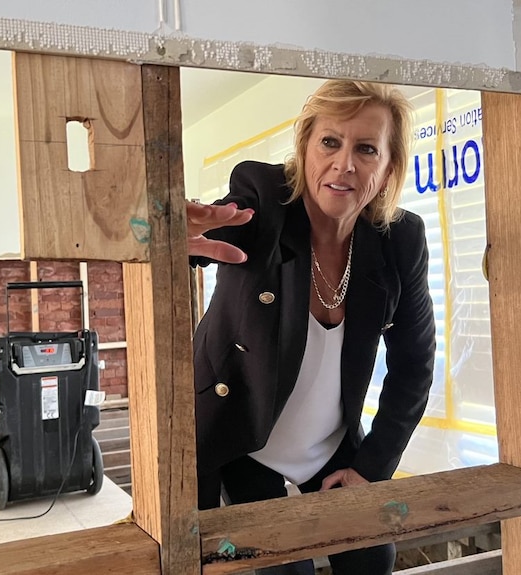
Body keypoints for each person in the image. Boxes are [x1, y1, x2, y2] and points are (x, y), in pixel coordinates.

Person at [187, 80, 436, 575]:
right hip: (241, 438)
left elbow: (414, 365)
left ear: (388, 169)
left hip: (331, 445)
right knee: (284, 568)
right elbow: (213, 230)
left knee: (372, 558)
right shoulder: (262, 198)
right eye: (330, 142)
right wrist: (171, 236)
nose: (344, 163)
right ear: (304, 149)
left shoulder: (399, 239)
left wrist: (371, 469)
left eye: (366, 149)